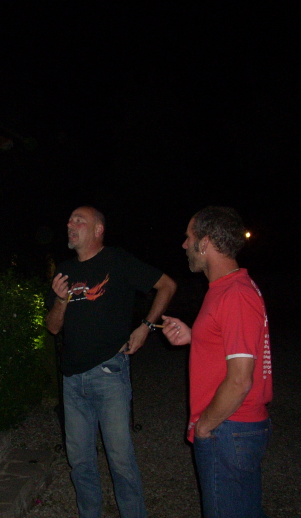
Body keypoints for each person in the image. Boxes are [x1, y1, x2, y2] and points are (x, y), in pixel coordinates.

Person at [45, 206, 176, 518]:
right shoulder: (64, 270)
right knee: (80, 461)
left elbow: (167, 285)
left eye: (79, 220)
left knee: (120, 460)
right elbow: (52, 327)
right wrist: (61, 299)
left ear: (98, 229)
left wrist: (146, 326)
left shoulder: (117, 260)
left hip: (109, 372)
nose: (70, 224)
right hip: (72, 379)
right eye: (69, 220)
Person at [162, 206, 272, 518]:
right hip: (232, 428)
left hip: (228, 428)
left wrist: (205, 426)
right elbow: (230, 344)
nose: (184, 244)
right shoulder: (225, 289)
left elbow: (240, 380)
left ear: (205, 242)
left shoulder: (235, 294)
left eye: (189, 237)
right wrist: (195, 336)